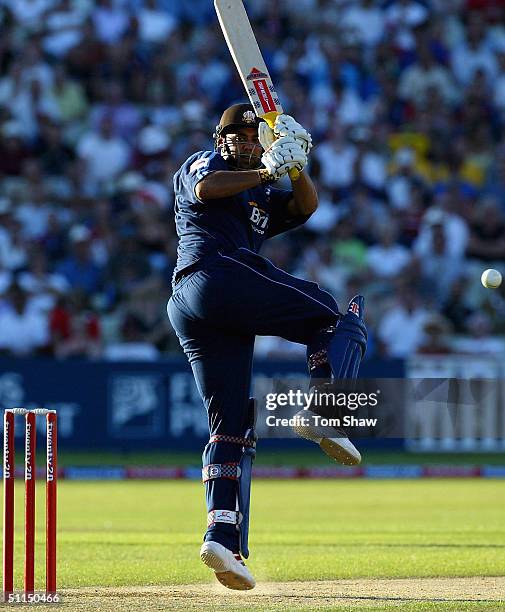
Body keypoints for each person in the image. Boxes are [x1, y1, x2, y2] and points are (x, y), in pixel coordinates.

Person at [167, 103, 367, 590]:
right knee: (337, 318)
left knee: (231, 424)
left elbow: (305, 207)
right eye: (243, 135)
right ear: (222, 138)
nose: (253, 142)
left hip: (206, 306)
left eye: (259, 137)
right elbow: (205, 189)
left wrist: (296, 168)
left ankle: (222, 536)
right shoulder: (205, 162)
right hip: (211, 275)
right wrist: (265, 167)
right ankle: (326, 411)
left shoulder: (258, 191)